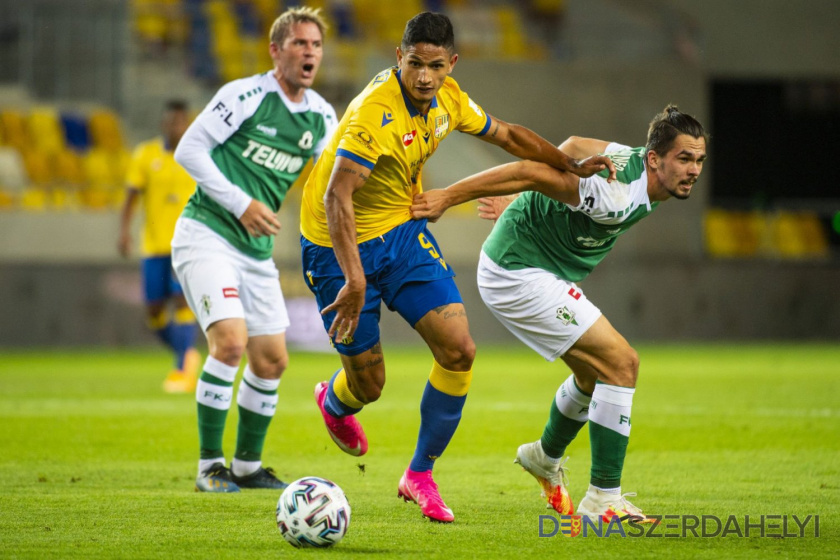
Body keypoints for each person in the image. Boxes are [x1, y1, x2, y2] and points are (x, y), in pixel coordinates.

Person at [299, 11, 615, 523]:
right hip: (336, 246)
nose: (424, 76)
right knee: (369, 386)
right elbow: (338, 195)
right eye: (415, 64)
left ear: (452, 64)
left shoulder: (449, 99)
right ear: (398, 58)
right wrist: (354, 279)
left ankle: (419, 474)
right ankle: (336, 402)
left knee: (460, 350)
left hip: (400, 230)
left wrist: (569, 164)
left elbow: (509, 136)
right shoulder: (373, 117)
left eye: (436, 66)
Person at [410, 104, 708, 524]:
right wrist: (449, 196)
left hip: (539, 265)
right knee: (621, 364)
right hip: (518, 271)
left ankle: (543, 457)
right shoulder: (614, 192)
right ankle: (603, 498)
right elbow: (533, 172)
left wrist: (527, 199)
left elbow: (571, 147)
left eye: (698, 160)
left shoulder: (632, 159)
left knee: (592, 375)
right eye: (684, 159)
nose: (693, 169)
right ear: (655, 158)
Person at [171, 7, 338, 493]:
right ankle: (209, 469)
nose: (309, 53)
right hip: (207, 233)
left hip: (255, 250)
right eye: (300, 44)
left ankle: (246, 466)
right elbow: (189, 150)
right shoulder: (244, 96)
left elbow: (331, 183)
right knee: (230, 342)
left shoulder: (321, 116)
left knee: (271, 359)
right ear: (275, 50)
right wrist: (242, 203)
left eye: (316, 45)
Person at [118, 100, 201, 394]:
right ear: (163, 124)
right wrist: (124, 232)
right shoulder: (145, 154)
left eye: (181, 121)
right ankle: (186, 353)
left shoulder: (198, 154)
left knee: (181, 301)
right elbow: (131, 196)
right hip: (153, 246)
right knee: (154, 310)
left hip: (187, 245)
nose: (176, 127)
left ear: (188, 123)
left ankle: (181, 369)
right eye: (171, 121)